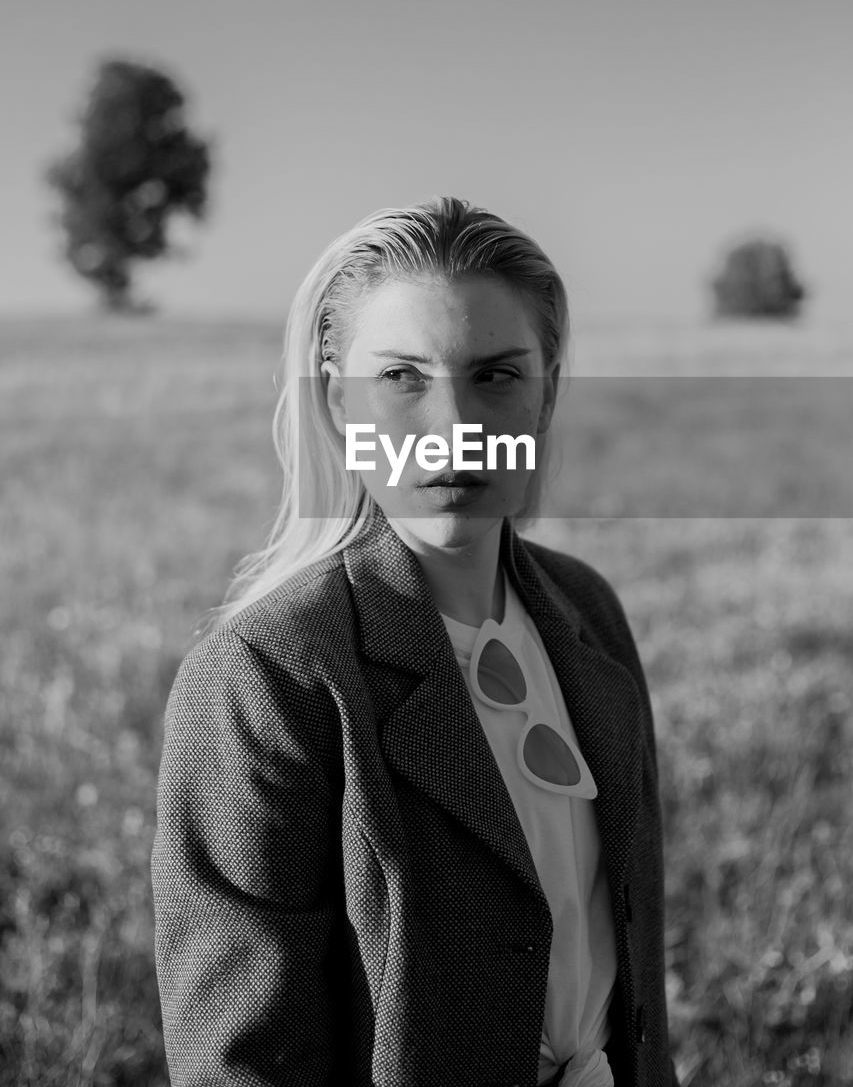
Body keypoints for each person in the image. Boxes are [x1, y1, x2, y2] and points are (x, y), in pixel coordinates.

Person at [152, 196, 678, 1087]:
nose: (454, 427)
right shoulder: (266, 675)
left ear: (547, 391)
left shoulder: (587, 609)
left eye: (497, 375)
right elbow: (241, 1060)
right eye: (401, 377)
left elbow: (632, 974)